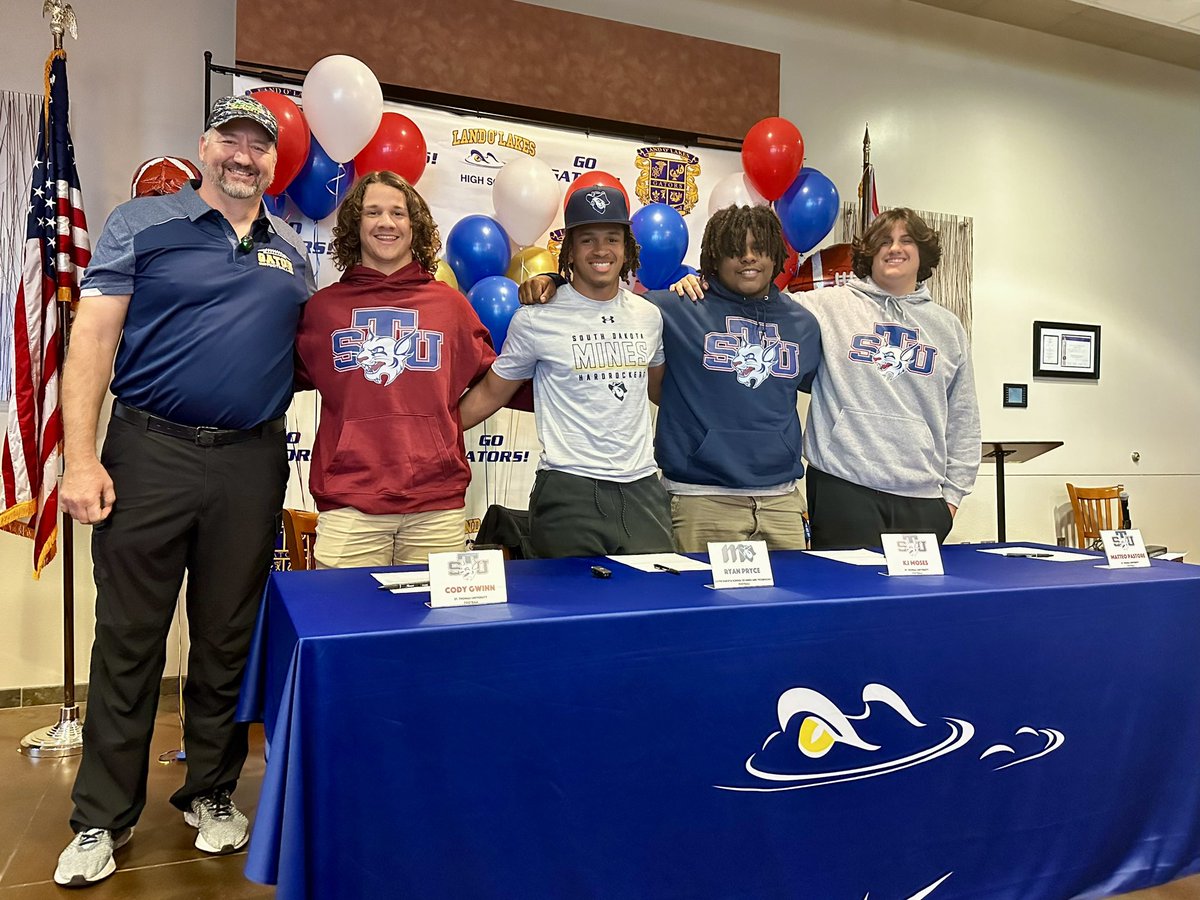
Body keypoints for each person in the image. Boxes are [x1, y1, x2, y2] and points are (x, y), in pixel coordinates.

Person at [55, 95, 314, 887]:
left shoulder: (292, 254)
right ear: (205, 146)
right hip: (149, 454)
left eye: (259, 146)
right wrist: (79, 459)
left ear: (275, 163)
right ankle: (101, 817)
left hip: (251, 462)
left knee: (227, 639)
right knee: (128, 638)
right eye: (231, 140)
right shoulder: (141, 224)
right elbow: (93, 339)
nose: (244, 156)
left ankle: (210, 792)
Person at [673, 208, 980, 550]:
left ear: (923, 252)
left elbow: (963, 417)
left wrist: (952, 499)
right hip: (843, 486)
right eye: (884, 241)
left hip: (923, 495)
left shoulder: (948, 327)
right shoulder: (824, 305)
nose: (894, 248)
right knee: (841, 585)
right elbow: (753, 294)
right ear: (868, 252)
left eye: (906, 240)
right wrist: (701, 281)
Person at [519, 205, 822, 552]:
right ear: (714, 257)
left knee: (789, 589)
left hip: (782, 500)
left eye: (760, 248)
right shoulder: (674, 308)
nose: (748, 258)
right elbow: (603, 294)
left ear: (778, 254)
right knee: (693, 589)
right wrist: (554, 281)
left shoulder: (803, 323)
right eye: (735, 249)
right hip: (701, 499)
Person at [294, 170, 496, 566]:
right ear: (355, 226)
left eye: (398, 213)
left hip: (436, 507)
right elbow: (274, 377)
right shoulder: (323, 309)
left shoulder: (450, 306)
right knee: (342, 609)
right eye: (373, 212)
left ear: (414, 225)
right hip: (350, 506)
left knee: (433, 610)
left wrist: (448, 423)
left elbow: (497, 380)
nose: (386, 222)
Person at [458, 185, 672, 558]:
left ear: (627, 248)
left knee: (656, 593)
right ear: (569, 250)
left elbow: (661, 392)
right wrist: (431, 435)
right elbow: (492, 392)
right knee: (567, 595)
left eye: (612, 238)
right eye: (587, 240)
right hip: (569, 488)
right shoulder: (536, 318)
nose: (601, 250)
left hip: (642, 488)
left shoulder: (648, 315)